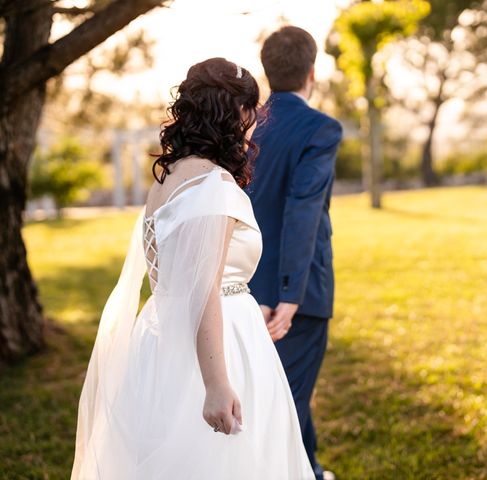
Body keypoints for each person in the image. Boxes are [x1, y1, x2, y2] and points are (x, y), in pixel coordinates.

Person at [71, 57, 315, 480]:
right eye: (253, 112)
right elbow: (205, 292)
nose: (256, 122)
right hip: (215, 349)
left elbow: (184, 275)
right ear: (237, 114)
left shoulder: (167, 180)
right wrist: (217, 385)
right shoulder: (215, 186)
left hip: (162, 336)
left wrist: (242, 299)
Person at [246, 26, 343, 480]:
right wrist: (290, 295)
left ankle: (312, 468)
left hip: (243, 286)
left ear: (268, 71)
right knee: (287, 397)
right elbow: (302, 208)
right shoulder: (321, 128)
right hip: (296, 295)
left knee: (283, 392)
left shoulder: (246, 125)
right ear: (311, 72)